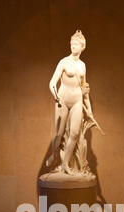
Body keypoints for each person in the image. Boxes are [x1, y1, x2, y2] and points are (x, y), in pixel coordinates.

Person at [46, 30, 93, 174]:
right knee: (59, 133)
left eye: (76, 44)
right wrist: (55, 95)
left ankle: (65, 163)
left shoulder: (83, 65)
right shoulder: (63, 62)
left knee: (74, 133)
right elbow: (52, 82)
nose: (73, 46)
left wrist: (89, 108)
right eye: (72, 44)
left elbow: (84, 88)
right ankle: (54, 156)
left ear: (82, 46)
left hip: (77, 100)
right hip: (63, 100)